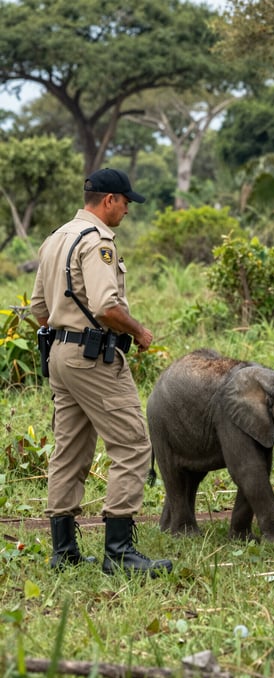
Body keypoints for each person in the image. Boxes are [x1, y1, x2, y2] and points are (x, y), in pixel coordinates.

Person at [30, 168, 172, 577]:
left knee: (69, 450)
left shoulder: (56, 238)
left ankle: (64, 550)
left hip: (60, 354)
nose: (127, 209)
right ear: (108, 200)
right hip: (94, 358)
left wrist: (67, 325)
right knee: (131, 445)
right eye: (126, 201)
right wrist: (140, 332)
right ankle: (119, 552)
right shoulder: (97, 243)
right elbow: (108, 306)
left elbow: (40, 309)